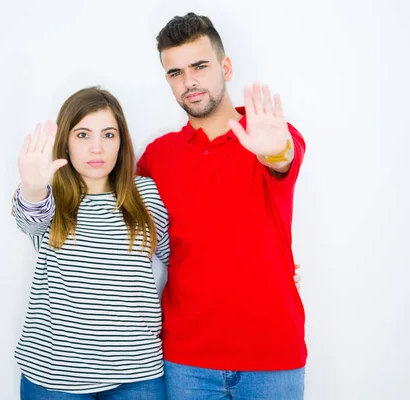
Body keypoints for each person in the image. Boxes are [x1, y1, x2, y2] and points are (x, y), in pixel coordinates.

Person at [136, 13, 307, 399]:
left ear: (225, 67)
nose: (189, 81)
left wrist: (275, 150)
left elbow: (282, 158)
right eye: (175, 72)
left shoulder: (270, 133)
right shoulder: (157, 157)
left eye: (200, 66)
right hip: (186, 359)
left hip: (273, 355)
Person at [12, 87, 170, 399]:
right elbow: (29, 219)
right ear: (66, 144)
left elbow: (184, 259)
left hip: (138, 376)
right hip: (55, 377)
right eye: (83, 135)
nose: (97, 148)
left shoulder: (146, 195)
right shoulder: (48, 196)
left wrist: (262, 272)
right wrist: (32, 187)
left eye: (108, 135)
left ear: (121, 142)